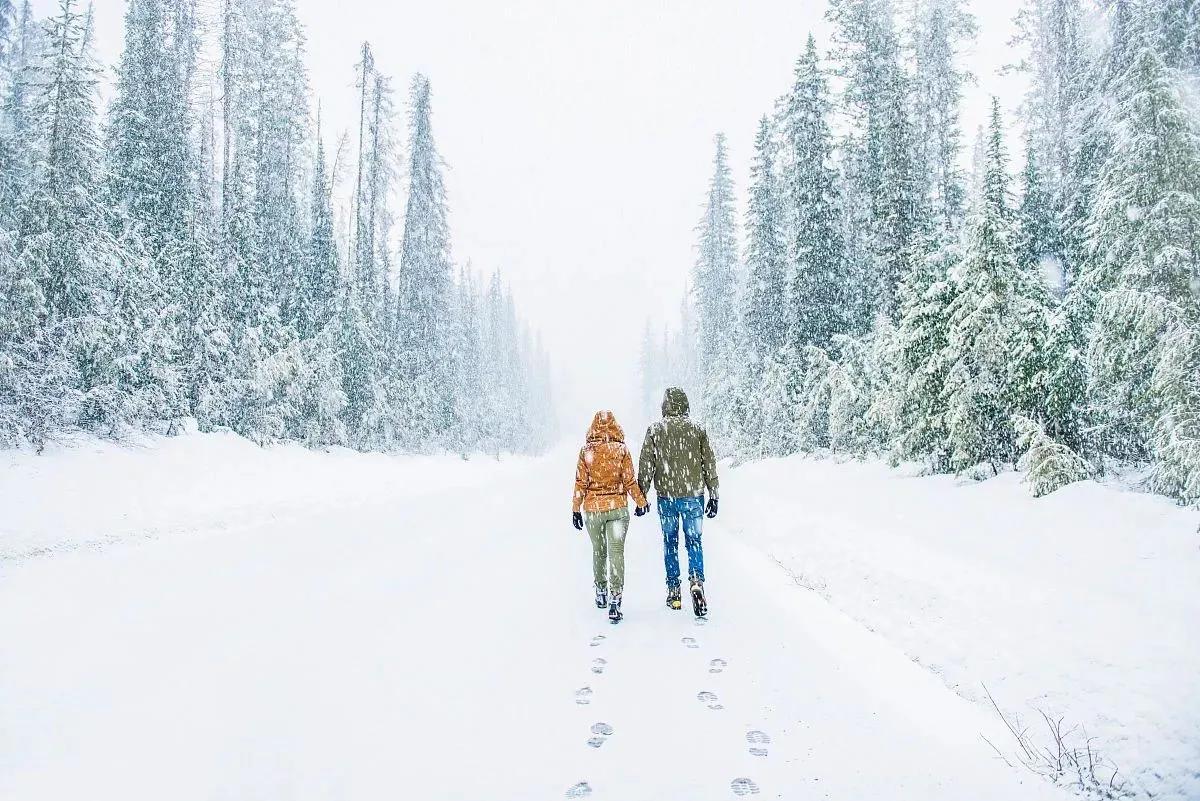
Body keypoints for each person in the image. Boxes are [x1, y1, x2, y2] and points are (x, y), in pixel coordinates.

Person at [637, 387, 719, 616]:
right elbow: (708, 462)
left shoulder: (655, 430)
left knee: (670, 542)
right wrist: (714, 493)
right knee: (694, 540)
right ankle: (696, 581)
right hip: (693, 495)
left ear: (665, 405)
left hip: (666, 497)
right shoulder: (698, 429)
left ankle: (674, 590)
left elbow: (646, 464)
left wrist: (641, 495)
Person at [572, 410, 650, 622]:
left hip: (593, 510)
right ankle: (616, 597)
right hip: (617, 509)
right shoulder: (621, 450)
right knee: (616, 553)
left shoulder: (586, 451)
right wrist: (642, 502)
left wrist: (576, 509)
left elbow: (581, 482)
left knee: (599, 551)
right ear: (615, 426)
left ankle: (600, 592)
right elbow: (630, 481)